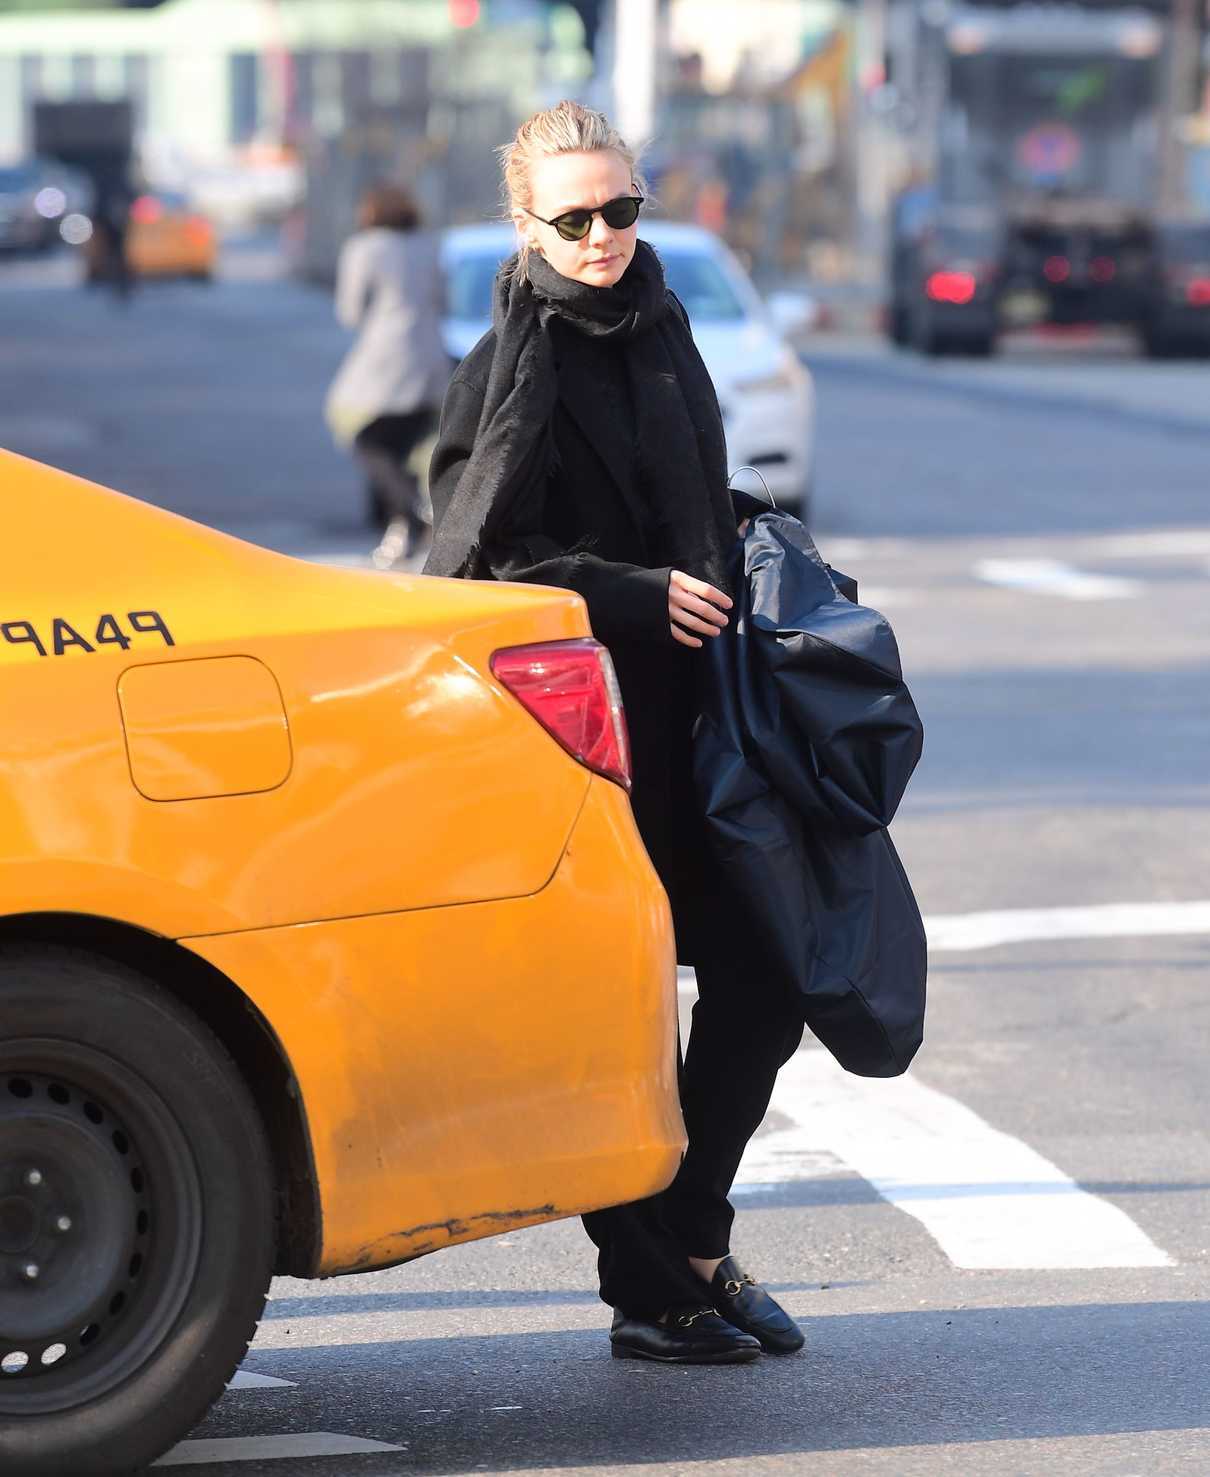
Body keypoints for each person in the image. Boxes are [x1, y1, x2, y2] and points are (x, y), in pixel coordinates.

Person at [425, 101, 809, 1365]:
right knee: (626, 1008)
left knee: (769, 971)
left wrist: (750, 539)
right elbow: (473, 558)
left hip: (706, 714)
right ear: (526, 223)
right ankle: (653, 1286)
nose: (601, 237)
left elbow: (683, 492)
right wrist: (632, 592)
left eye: (622, 210)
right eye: (573, 218)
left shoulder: (663, 323)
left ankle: (691, 1238)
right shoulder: (506, 367)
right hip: (585, 730)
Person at [326, 183, 450, 567]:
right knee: (404, 440)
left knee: (364, 438)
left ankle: (409, 514)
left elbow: (349, 312)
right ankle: (401, 524)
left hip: (384, 360)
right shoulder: (429, 246)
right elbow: (443, 300)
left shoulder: (364, 248)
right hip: (430, 360)